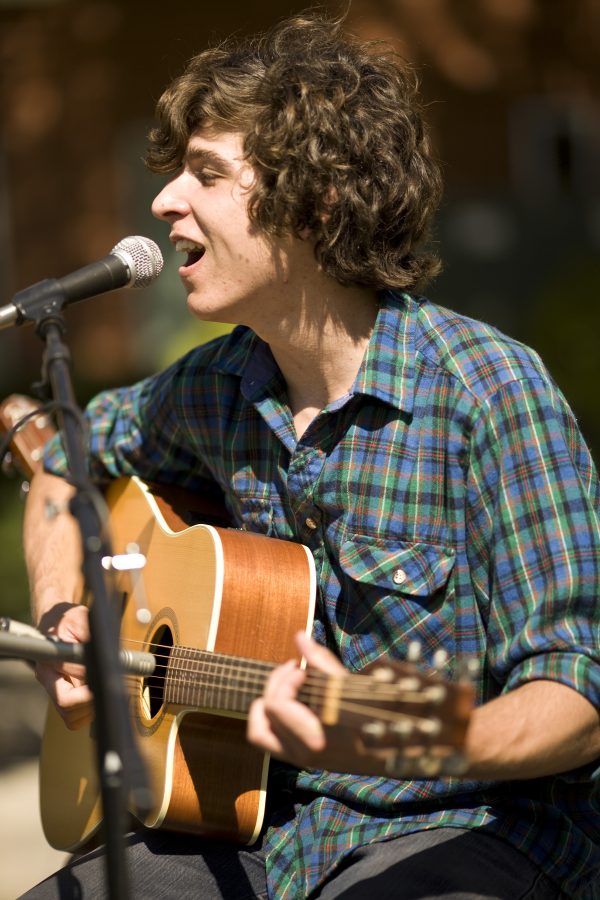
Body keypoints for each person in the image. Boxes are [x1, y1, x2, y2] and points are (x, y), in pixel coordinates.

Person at [21, 11, 600, 900]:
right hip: (257, 825)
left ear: (315, 200)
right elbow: (57, 451)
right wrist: (67, 618)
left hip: (470, 827)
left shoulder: (489, 392)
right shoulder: (212, 386)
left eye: (206, 173)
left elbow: (577, 697)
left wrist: (408, 733)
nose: (164, 201)